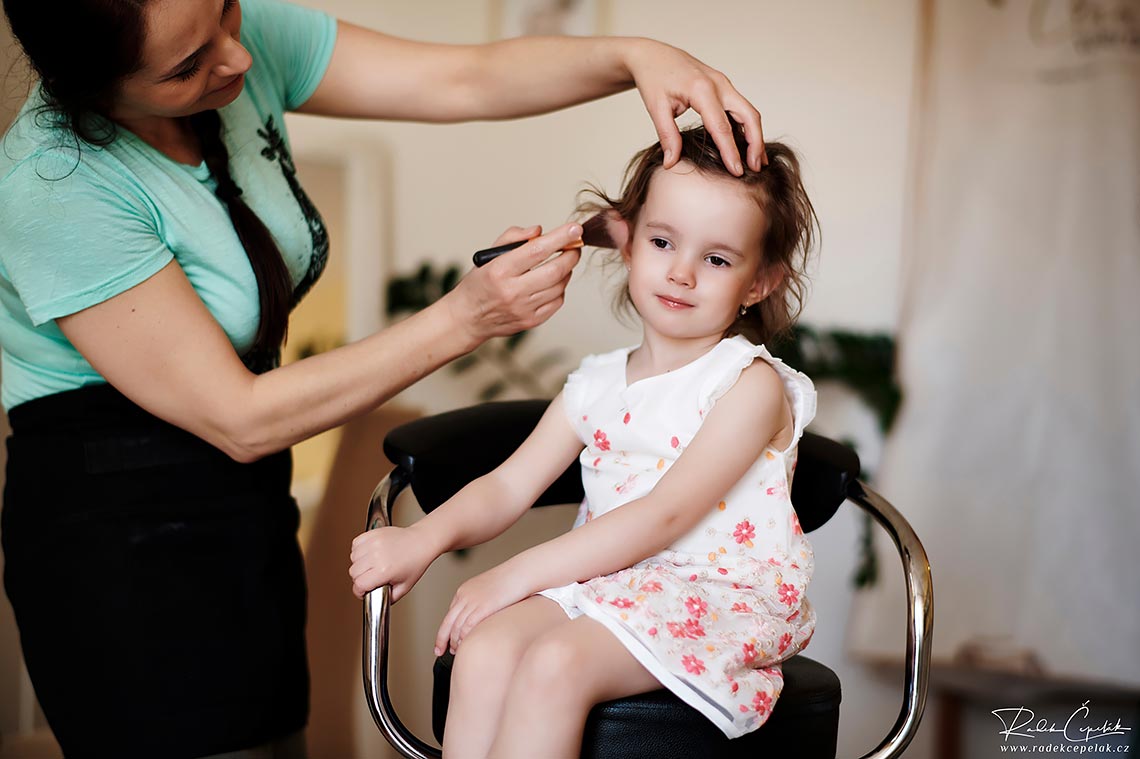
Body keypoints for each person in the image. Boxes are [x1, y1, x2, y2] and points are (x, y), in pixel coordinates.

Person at [0, 0, 769, 756]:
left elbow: (467, 80)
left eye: (227, 14)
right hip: (116, 531)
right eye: (187, 66)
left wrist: (633, 54)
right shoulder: (54, 184)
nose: (236, 56)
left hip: (243, 502)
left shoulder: (750, 385)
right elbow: (240, 416)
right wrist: (465, 323)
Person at [349, 122, 820, 757]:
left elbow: (664, 515)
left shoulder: (747, 385)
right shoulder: (595, 385)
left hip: (716, 594)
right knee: (484, 649)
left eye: (716, 258)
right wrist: (421, 539)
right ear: (629, 247)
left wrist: (512, 575)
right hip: (612, 581)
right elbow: (507, 485)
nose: (680, 273)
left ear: (759, 282)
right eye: (662, 241)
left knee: (555, 665)